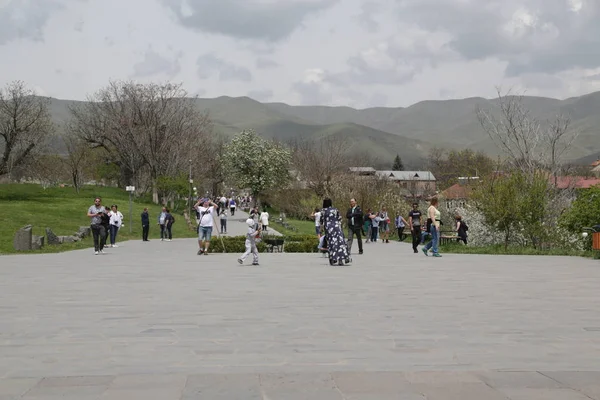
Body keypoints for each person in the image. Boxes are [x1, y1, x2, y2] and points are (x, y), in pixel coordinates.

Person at [321, 198, 350, 266]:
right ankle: (342, 258)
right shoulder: (335, 209)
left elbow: (322, 221)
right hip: (337, 227)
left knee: (332, 243)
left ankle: (333, 258)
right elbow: (339, 218)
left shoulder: (323, 211)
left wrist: (321, 229)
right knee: (340, 242)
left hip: (329, 228)